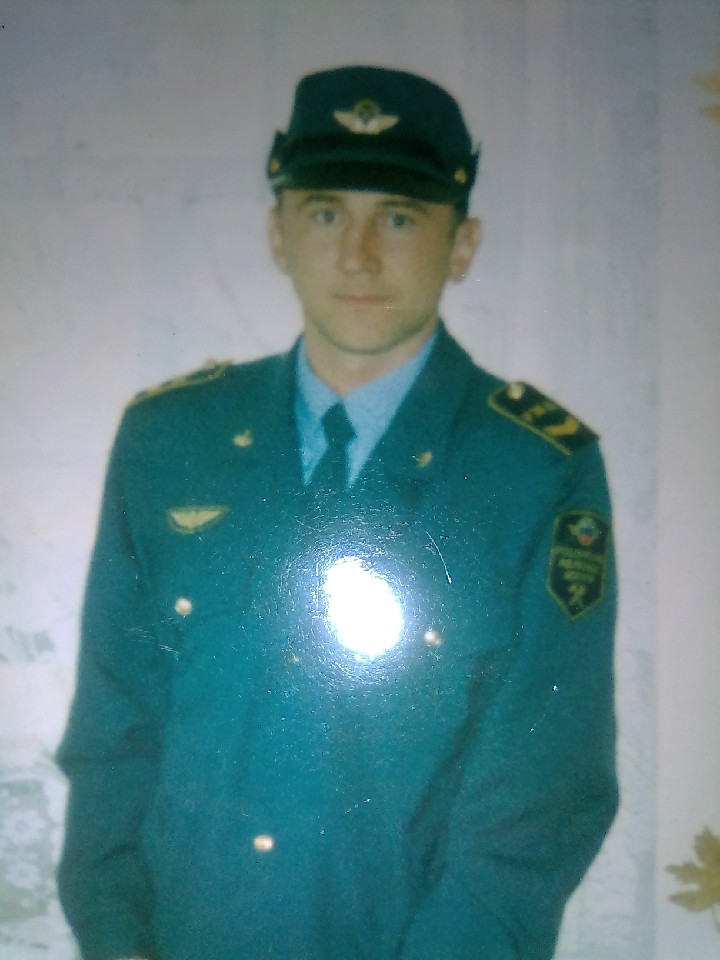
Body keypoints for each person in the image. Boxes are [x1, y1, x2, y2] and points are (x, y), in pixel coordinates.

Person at [57, 66, 618, 960]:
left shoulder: (531, 470)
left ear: (462, 245)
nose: (358, 255)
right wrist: (119, 943)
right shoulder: (169, 442)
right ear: (278, 234)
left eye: (398, 217)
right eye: (325, 213)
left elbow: (539, 798)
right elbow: (111, 740)